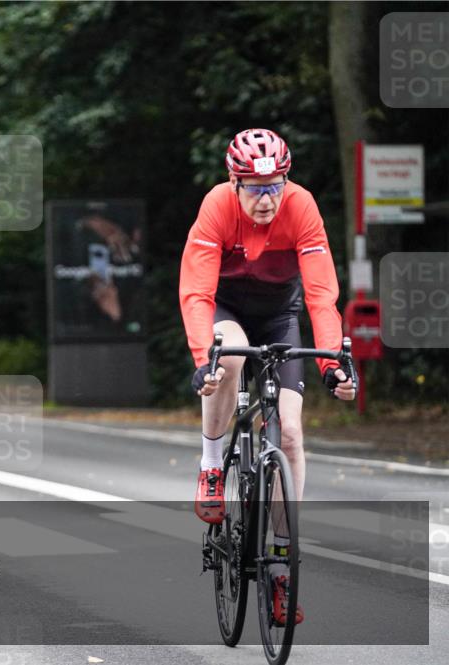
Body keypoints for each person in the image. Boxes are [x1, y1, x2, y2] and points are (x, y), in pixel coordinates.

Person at [179, 128, 356, 624]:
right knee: (230, 352)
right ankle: (213, 464)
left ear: (286, 179)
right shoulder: (217, 206)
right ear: (234, 183)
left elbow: (321, 296)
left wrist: (331, 365)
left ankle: (281, 568)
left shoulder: (301, 207)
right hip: (226, 306)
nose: (266, 198)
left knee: (292, 433)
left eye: (274, 184)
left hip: (280, 315)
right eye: (255, 188)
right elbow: (196, 291)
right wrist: (203, 359)